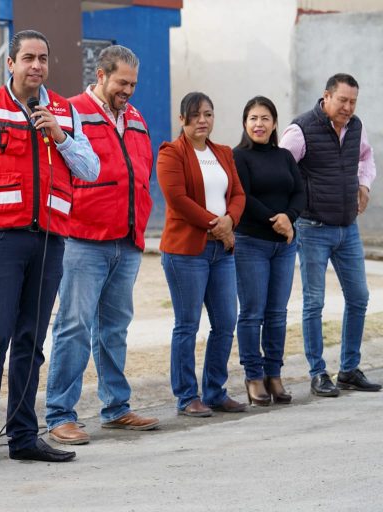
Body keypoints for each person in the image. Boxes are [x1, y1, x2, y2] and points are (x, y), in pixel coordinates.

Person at [0, 29, 99, 471]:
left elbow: (89, 169)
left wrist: (61, 137)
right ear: (9, 64)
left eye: (43, 59)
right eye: (28, 57)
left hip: (49, 241)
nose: (36, 65)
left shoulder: (64, 113)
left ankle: (23, 436)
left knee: (31, 342)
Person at [44, 45, 158, 446]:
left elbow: (142, 173)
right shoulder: (71, 112)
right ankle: (59, 414)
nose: (128, 90)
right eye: (122, 82)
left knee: (115, 329)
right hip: (83, 240)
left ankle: (116, 407)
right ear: (101, 75)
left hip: (126, 241)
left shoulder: (136, 117)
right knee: (73, 326)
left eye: (133, 84)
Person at [280, 73, 380, 396]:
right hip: (312, 229)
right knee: (314, 302)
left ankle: (349, 368)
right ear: (326, 97)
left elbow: (366, 157)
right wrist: (292, 210)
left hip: (347, 228)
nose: (348, 108)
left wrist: (363, 183)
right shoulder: (300, 129)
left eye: (353, 102)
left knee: (359, 297)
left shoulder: (356, 128)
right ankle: (317, 372)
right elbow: (281, 169)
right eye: (342, 100)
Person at [157, 92, 246, 418]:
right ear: (183, 119)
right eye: (195, 115)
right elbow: (178, 200)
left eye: (208, 114)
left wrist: (230, 221)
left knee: (225, 322)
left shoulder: (222, 152)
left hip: (221, 251)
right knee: (187, 325)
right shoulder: (171, 154)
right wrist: (216, 224)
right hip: (186, 252)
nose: (203, 120)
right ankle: (186, 397)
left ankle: (215, 391)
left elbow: (237, 193)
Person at [233, 96, 305, 406]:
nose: (259, 124)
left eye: (265, 118)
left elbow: (300, 190)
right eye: (253, 118)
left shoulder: (285, 156)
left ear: (275, 123)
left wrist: (290, 218)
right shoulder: (238, 157)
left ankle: (274, 374)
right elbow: (243, 196)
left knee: (277, 313)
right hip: (251, 243)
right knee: (252, 313)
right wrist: (275, 220)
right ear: (245, 123)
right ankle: (253, 376)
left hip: (285, 246)